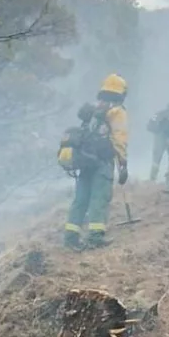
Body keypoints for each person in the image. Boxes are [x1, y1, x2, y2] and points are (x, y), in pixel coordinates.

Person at [64, 74, 129, 250]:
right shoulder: (117, 111)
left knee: (81, 199)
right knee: (99, 198)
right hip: (102, 162)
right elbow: (119, 138)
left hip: (85, 161)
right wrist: (123, 162)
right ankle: (95, 236)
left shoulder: (94, 109)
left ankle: (70, 237)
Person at [147, 101, 169, 182]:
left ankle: (153, 178)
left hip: (162, 137)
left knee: (159, 158)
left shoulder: (160, 113)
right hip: (165, 137)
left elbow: (150, 125)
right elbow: (151, 125)